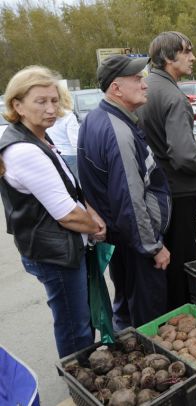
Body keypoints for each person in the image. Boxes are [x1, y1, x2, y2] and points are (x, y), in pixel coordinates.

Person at [0, 65, 104, 357]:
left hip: (57, 249)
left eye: (54, 100)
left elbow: (70, 189)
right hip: (55, 254)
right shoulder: (24, 150)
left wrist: (90, 214)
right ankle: (78, 383)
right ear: (17, 105)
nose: (51, 108)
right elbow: (67, 213)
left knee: (79, 318)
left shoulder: (38, 138)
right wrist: (96, 226)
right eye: (41, 101)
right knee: (75, 325)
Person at [78, 55, 171, 330]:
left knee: (126, 311)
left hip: (122, 239)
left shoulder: (96, 118)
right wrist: (153, 248)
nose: (145, 85)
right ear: (116, 88)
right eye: (137, 79)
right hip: (136, 244)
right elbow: (129, 199)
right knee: (147, 319)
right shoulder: (118, 130)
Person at [137, 31, 196, 310]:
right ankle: (181, 313)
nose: (193, 57)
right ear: (167, 57)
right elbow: (184, 155)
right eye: (187, 51)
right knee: (181, 259)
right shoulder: (174, 97)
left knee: (162, 259)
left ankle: (165, 313)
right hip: (178, 192)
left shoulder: (144, 88)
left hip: (153, 190)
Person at [46, 83, 80, 178]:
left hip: (54, 154)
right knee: (74, 182)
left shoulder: (47, 115)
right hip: (70, 155)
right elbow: (75, 142)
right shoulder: (68, 116)